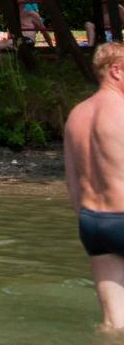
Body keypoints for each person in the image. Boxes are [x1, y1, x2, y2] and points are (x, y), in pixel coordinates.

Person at [67, 40, 124, 329]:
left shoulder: (77, 114)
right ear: (116, 71)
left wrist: (87, 219)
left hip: (92, 223)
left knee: (114, 321)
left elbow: (73, 181)